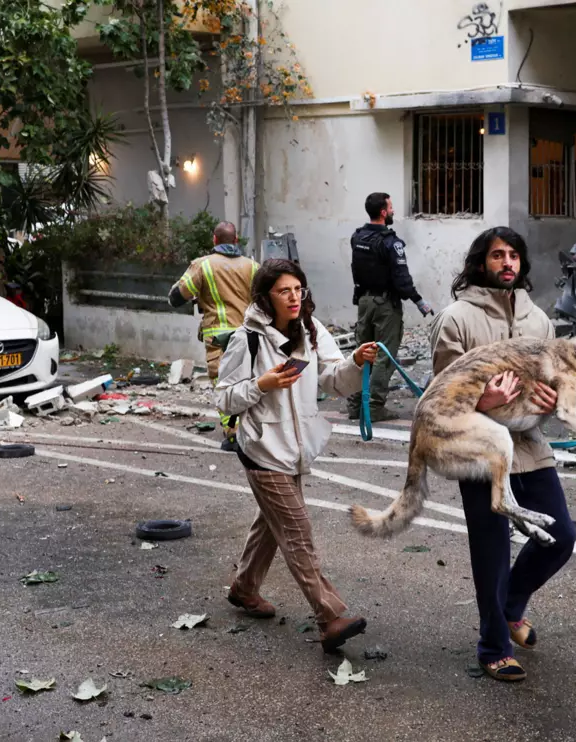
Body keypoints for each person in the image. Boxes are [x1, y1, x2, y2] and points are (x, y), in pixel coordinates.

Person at [428, 226, 576, 682]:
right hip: (479, 450)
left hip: (530, 446)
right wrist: (482, 401)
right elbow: (440, 396)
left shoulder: (539, 321)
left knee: (562, 537)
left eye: (513, 255)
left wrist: (552, 400)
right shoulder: (457, 319)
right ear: (481, 263)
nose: (506, 262)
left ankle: (510, 606)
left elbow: (553, 384)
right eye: (497, 255)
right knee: (491, 550)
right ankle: (492, 645)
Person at [215, 259, 379, 652]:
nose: (293, 298)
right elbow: (224, 396)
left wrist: (355, 363)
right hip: (262, 449)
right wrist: (261, 383)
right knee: (297, 530)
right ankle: (329, 616)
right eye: (283, 291)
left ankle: (244, 587)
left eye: (298, 289)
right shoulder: (247, 339)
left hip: (295, 447)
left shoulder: (311, 329)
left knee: (273, 525)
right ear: (265, 297)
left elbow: (333, 379)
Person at [168, 221, 259, 451]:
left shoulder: (203, 266)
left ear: (214, 240)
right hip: (249, 333)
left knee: (223, 384)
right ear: (236, 240)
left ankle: (233, 435)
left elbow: (177, 297)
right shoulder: (254, 267)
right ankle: (253, 430)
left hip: (218, 336)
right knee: (248, 380)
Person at [347, 192, 433, 422]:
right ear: (384, 212)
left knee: (362, 355)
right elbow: (401, 278)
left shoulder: (358, 237)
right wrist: (418, 300)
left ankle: (355, 405)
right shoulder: (390, 242)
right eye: (391, 207)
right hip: (385, 306)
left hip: (364, 302)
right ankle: (374, 408)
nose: (393, 211)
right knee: (383, 356)